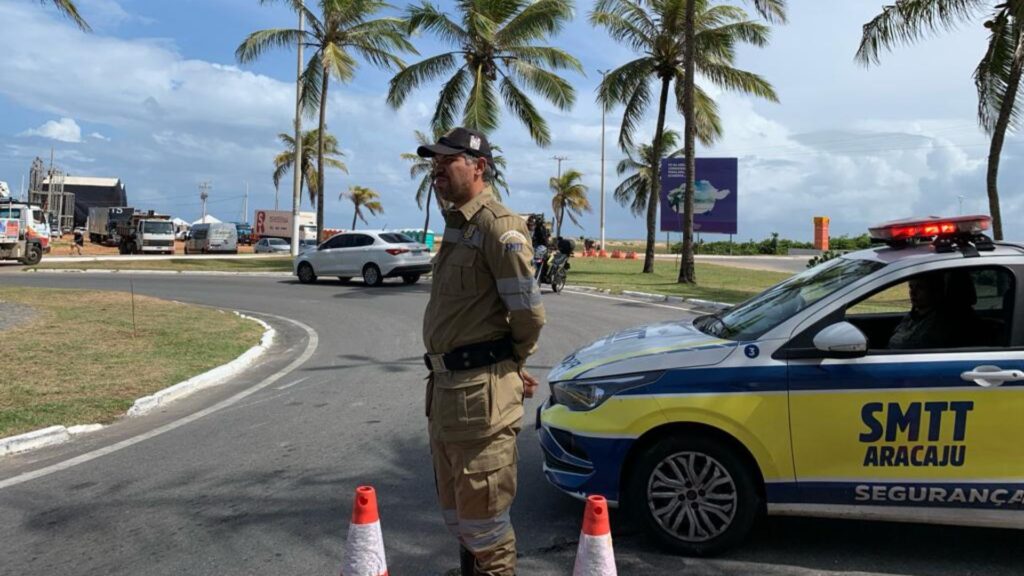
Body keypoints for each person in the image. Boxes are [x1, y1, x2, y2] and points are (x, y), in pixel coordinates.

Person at [418, 127, 546, 576]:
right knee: (462, 522)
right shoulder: (458, 226)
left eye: (447, 162)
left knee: (487, 534)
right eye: (434, 163)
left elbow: (528, 315)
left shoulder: (499, 227)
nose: (436, 170)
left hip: (480, 402)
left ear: (478, 166)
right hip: (448, 395)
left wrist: (511, 364)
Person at [888, 273, 954, 349]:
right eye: (911, 287)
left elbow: (909, 347)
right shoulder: (913, 316)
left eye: (920, 287)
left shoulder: (938, 324)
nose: (913, 293)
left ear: (935, 291)